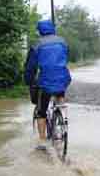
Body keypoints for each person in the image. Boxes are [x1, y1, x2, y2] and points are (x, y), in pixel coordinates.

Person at [24, 20, 72, 150]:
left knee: (41, 111)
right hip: (63, 79)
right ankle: (62, 113)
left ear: (40, 31)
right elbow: (66, 57)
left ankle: (42, 141)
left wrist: (29, 81)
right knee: (58, 91)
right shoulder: (63, 42)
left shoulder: (37, 45)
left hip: (46, 82)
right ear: (53, 29)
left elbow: (30, 67)